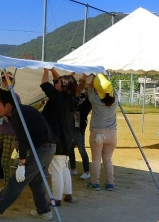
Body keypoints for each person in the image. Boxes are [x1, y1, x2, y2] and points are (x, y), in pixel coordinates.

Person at [0, 90, 57, 221]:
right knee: (36, 180)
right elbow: (22, 136)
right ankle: (44, 211)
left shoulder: (18, 114)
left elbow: (23, 140)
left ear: (8, 105)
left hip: (43, 149)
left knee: (17, 180)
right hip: (46, 148)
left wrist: (21, 164)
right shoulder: (18, 112)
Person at [40, 68, 78, 205]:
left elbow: (44, 83)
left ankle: (56, 198)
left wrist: (45, 71)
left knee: (55, 170)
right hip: (66, 138)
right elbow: (57, 80)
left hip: (57, 138)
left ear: (64, 87)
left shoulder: (58, 98)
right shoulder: (72, 99)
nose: (55, 83)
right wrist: (51, 69)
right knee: (63, 168)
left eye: (59, 83)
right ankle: (68, 193)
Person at [86, 74, 118, 191]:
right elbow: (111, 88)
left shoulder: (95, 100)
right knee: (108, 159)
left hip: (97, 133)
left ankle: (95, 183)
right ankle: (110, 183)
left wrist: (95, 76)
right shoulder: (115, 100)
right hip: (112, 134)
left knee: (96, 159)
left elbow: (90, 88)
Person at [69, 80, 92, 180]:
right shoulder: (77, 97)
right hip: (70, 125)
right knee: (70, 148)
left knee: (81, 149)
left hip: (79, 127)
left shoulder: (88, 101)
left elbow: (82, 109)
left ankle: (87, 171)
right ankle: (73, 168)